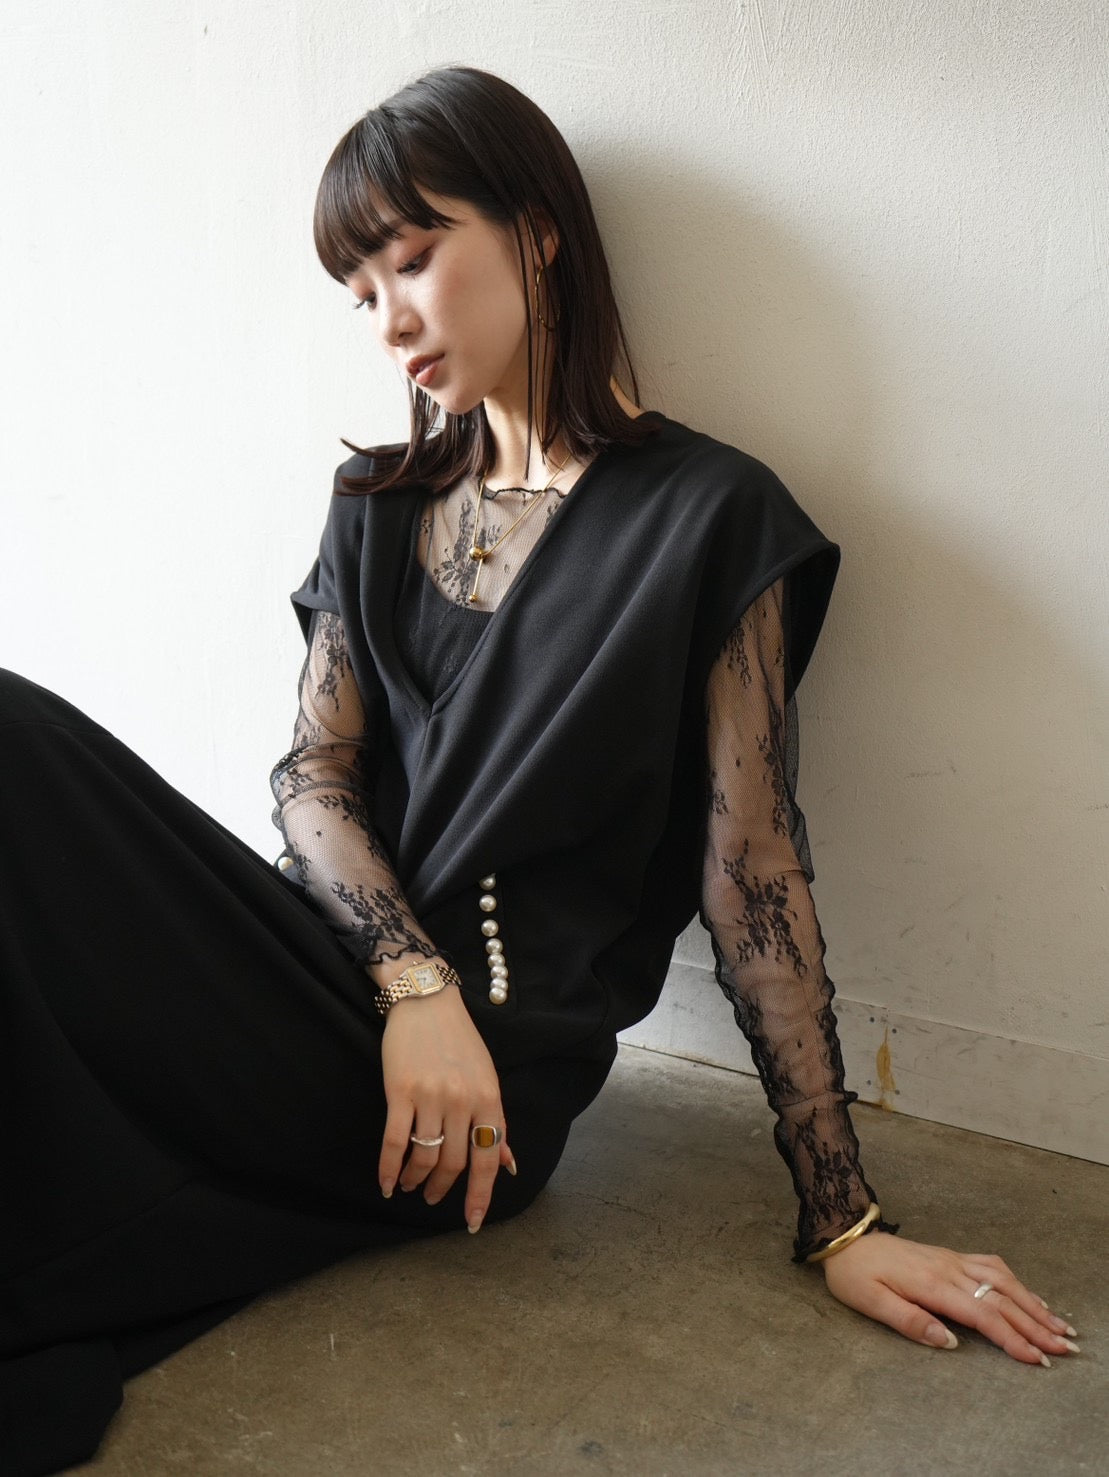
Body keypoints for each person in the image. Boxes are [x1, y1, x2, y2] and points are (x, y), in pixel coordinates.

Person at [0, 64, 1078, 1477]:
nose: (388, 322)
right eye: (358, 292)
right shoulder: (375, 501)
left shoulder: (709, 518)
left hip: (480, 1093)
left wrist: (843, 1216)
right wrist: (414, 983)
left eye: (411, 259)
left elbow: (751, 870)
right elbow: (313, 781)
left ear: (538, 230)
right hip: (325, 972)